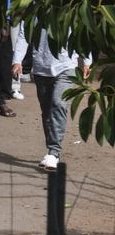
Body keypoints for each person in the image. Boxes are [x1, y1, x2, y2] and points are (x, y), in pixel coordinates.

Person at [31, 29, 90, 171]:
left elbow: (82, 32)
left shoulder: (69, 7)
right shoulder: (36, 9)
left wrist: (87, 60)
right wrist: (17, 60)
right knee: (46, 112)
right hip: (41, 66)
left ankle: (54, 152)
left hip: (66, 66)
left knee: (58, 103)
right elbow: (23, 32)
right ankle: (51, 149)